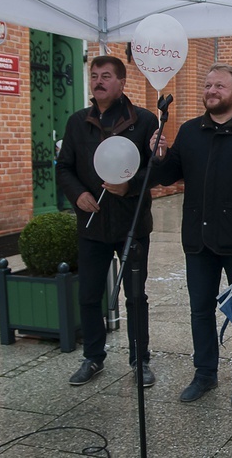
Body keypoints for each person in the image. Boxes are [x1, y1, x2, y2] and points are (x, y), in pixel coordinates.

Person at [151, 63, 232, 405]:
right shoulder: (191, 131)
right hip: (198, 239)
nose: (211, 91)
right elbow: (168, 177)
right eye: (207, 85)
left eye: (219, 86)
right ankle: (205, 373)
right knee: (199, 310)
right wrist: (160, 155)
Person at [56, 55, 157, 387]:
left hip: (132, 225)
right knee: (88, 294)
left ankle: (140, 360)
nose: (98, 81)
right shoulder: (77, 122)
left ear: (122, 83)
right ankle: (93, 357)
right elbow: (64, 168)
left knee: (135, 296)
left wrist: (129, 187)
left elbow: (155, 172)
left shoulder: (144, 121)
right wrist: (77, 195)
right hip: (92, 225)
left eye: (106, 76)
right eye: (94, 76)